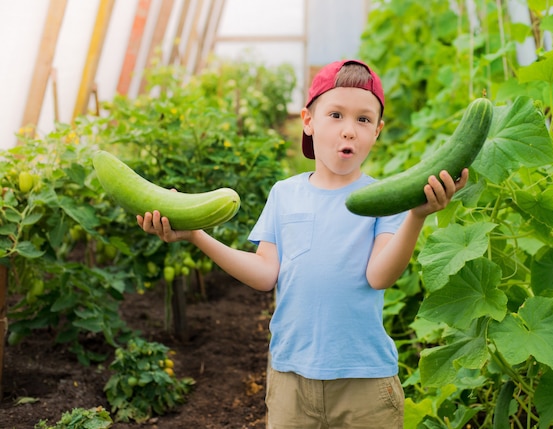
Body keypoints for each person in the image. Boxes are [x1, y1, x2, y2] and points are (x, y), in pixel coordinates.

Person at [138, 59, 468, 429]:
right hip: (291, 379)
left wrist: (417, 216)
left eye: (363, 120)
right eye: (336, 115)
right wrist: (196, 234)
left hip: (364, 381)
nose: (349, 131)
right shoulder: (285, 194)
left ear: (377, 131)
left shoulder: (384, 198)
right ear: (308, 121)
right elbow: (265, 274)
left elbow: (379, 276)